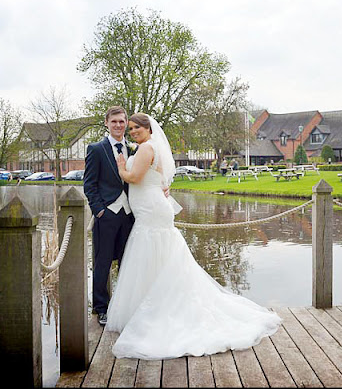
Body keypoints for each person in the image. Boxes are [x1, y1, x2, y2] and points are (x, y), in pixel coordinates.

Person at [106, 113, 281, 360]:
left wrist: (122, 168)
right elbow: (160, 178)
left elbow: (135, 178)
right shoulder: (149, 147)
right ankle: (152, 305)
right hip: (150, 208)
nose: (132, 131)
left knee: (153, 251)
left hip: (151, 211)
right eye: (130, 128)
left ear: (148, 128)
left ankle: (160, 309)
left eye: (137, 127)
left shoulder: (146, 148)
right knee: (156, 255)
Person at [83, 106, 136, 326]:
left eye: (122, 122)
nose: (118, 125)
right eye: (114, 121)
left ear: (126, 123)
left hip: (130, 215)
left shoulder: (134, 149)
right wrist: (99, 210)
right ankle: (101, 308)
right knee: (103, 263)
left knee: (128, 261)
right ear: (107, 123)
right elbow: (89, 184)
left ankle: (125, 307)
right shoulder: (96, 149)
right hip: (107, 214)